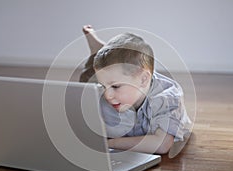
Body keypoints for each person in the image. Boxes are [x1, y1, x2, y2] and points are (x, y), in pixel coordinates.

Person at [81, 25, 192, 157]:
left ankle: (100, 51)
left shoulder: (166, 98)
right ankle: (98, 51)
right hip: (135, 81)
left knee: (131, 71)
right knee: (88, 81)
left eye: (115, 87)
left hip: (144, 83)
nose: (107, 95)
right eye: (103, 87)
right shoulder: (114, 91)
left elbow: (162, 145)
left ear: (144, 79)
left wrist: (109, 144)